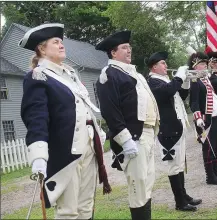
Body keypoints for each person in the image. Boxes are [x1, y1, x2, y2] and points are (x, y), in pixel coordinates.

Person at [20, 23, 110, 219]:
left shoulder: (69, 75)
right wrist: (38, 155)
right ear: (42, 49)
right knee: (69, 212)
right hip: (65, 152)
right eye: (56, 42)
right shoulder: (37, 76)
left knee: (86, 206)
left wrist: (98, 133)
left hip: (88, 148)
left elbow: (83, 108)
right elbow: (36, 117)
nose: (62, 45)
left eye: (62, 41)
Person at [95, 30, 159, 220]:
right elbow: (110, 110)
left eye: (129, 47)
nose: (129, 50)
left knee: (147, 183)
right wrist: (125, 139)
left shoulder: (134, 73)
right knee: (137, 187)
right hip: (133, 138)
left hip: (147, 134)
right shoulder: (109, 74)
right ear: (113, 53)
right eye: (124, 47)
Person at [146, 51, 202, 211]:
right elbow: (168, 91)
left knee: (179, 165)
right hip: (167, 130)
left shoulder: (164, 80)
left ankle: (183, 196)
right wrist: (179, 77)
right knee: (174, 167)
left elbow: (180, 95)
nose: (166, 66)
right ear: (154, 67)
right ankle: (180, 202)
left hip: (177, 127)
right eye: (163, 63)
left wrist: (186, 82)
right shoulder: (152, 82)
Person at [189, 50, 217, 185]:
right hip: (205, 118)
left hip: (214, 116)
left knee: (216, 144)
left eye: (205, 63)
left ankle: (216, 170)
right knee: (208, 147)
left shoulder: (206, 78)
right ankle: (210, 176)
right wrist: (198, 117)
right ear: (195, 66)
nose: (205, 66)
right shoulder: (194, 79)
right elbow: (194, 101)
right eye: (202, 63)